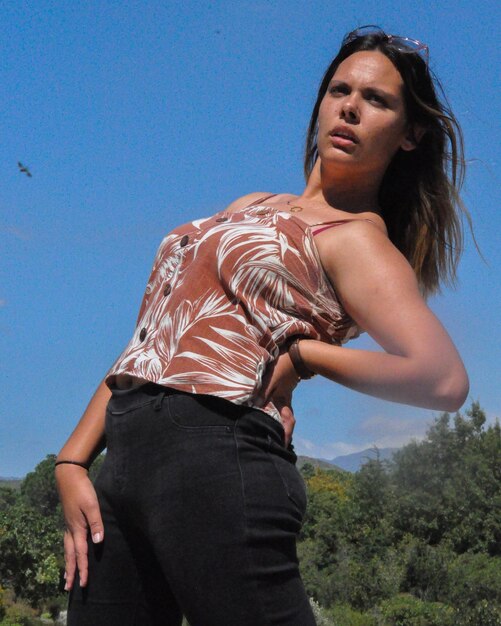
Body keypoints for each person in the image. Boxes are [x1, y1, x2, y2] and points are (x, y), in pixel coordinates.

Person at [56, 25, 470, 626]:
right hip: (124, 462)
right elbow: (158, 334)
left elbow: (443, 379)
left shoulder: (358, 240)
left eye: (376, 100)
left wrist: (306, 357)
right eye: (339, 90)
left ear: (411, 135)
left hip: (219, 459)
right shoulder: (252, 205)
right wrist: (73, 460)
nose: (350, 107)